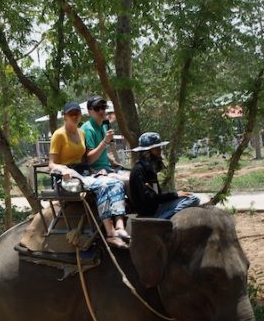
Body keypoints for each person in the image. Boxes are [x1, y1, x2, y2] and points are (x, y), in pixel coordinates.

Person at [49, 101, 130, 249]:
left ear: (81, 115)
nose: (74, 116)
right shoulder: (59, 135)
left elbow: (84, 159)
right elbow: (52, 164)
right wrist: (63, 170)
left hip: (82, 174)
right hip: (67, 178)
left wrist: (96, 171)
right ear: (65, 117)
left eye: (77, 113)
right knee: (104, 185)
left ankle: (119, 225)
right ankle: (110, 233)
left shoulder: (81, 133)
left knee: (116, 182)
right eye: (71, 114)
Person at [128, 131, 200, 219]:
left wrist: (173, 196)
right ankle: (161, 220)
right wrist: (175, 195)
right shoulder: (138, 170)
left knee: (192, 197)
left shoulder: (150, 169)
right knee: (193, 199)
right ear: (147, 151)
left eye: (159, 147)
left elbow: (156, 195)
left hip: (157, 206)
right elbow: (149, 198)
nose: (160, 151)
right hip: (150, 211)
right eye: (156, 148)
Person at [80, 95, 121, 175]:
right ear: (89, 112)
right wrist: (105, 141)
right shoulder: (88, 129)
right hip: (94, 172)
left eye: (103, 107)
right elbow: (89, 160)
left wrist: (111, 161)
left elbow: (101, 152)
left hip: (107, 168)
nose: (101, 111)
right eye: (97, 108)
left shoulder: (104, 125)